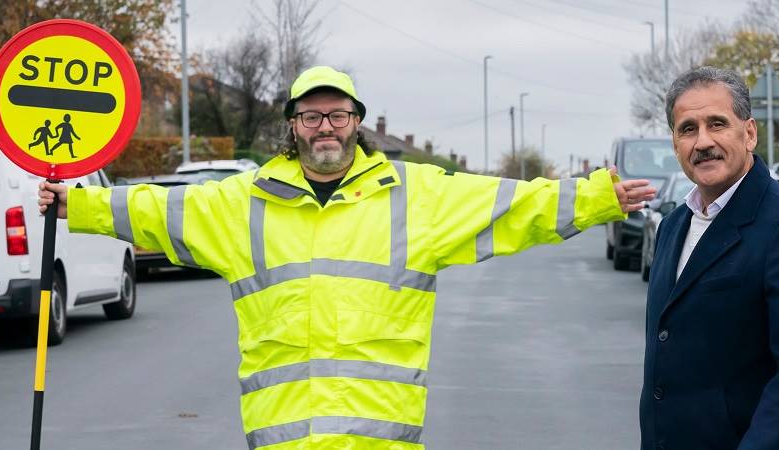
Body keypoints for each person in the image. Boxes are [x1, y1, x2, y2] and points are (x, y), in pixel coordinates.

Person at [39, 66, 655, 450]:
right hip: (283, 436)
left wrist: (598, 197)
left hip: (379, 438)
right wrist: (78, 204)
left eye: (337, 114)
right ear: (294, 126)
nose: (324, 126)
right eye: (311, 116)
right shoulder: (239, 203)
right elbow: (155, 208)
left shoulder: (417, 194)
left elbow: (512, 205)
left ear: (357, 123)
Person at [640, 66, 779, 450]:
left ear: (749, 133)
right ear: (675, 144)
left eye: (717, 124)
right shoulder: (672, 226)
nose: (702, 142)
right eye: (688, 129)